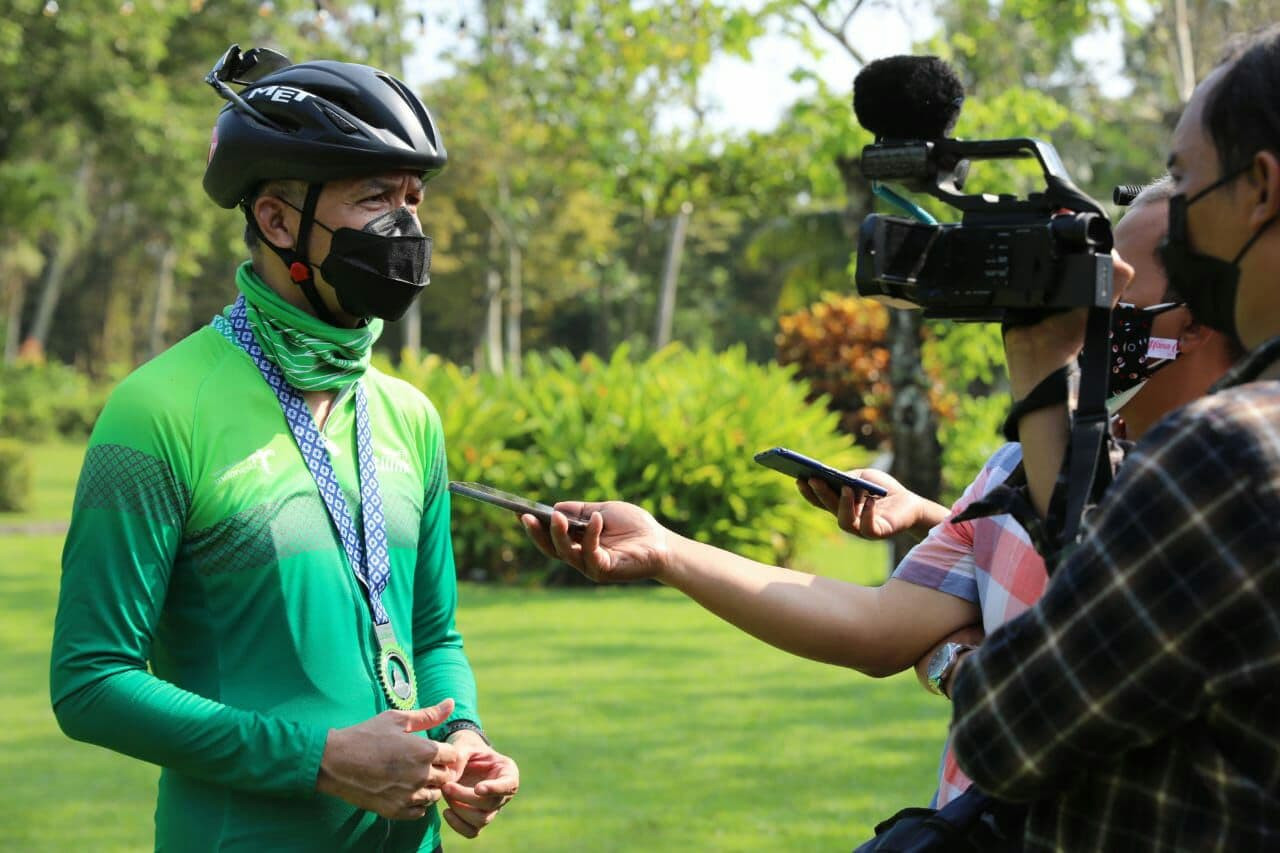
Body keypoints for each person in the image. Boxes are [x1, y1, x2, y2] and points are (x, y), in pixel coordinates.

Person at [519, 175, 1238, 807]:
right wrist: (667, 550)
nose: (1083, 309)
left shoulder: (1235, 488)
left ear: (1201, 316)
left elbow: (1104, 648)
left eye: (1114, 291)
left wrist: (967, 660)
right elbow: (878, 629)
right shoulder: (1012, 470)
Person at [49, 46, 518, 852]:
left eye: (413, 198)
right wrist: (321, 759)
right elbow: (90, 680)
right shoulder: (157, 410)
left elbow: (432, 636)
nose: (404, 225)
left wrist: (465, 736)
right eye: (375, 196)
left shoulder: (409, 416)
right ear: (275, 219)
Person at [947, 26, 1280, 849]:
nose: (1167, 217)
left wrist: (955, 662)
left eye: (1180, 176)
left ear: (1261, 187)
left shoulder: (1230, 452)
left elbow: (1006, 730)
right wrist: (1043, 373)